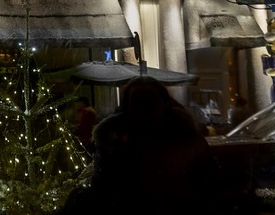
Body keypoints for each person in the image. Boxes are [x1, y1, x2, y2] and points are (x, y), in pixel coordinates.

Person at [68, 76, 221, 215]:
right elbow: (102, 189)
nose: (144, 109)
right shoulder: (113, 143)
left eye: (150, 102)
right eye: (138, 103)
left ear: (165, 104)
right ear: (127, 108)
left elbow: (209, 185)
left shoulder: (187, 138)